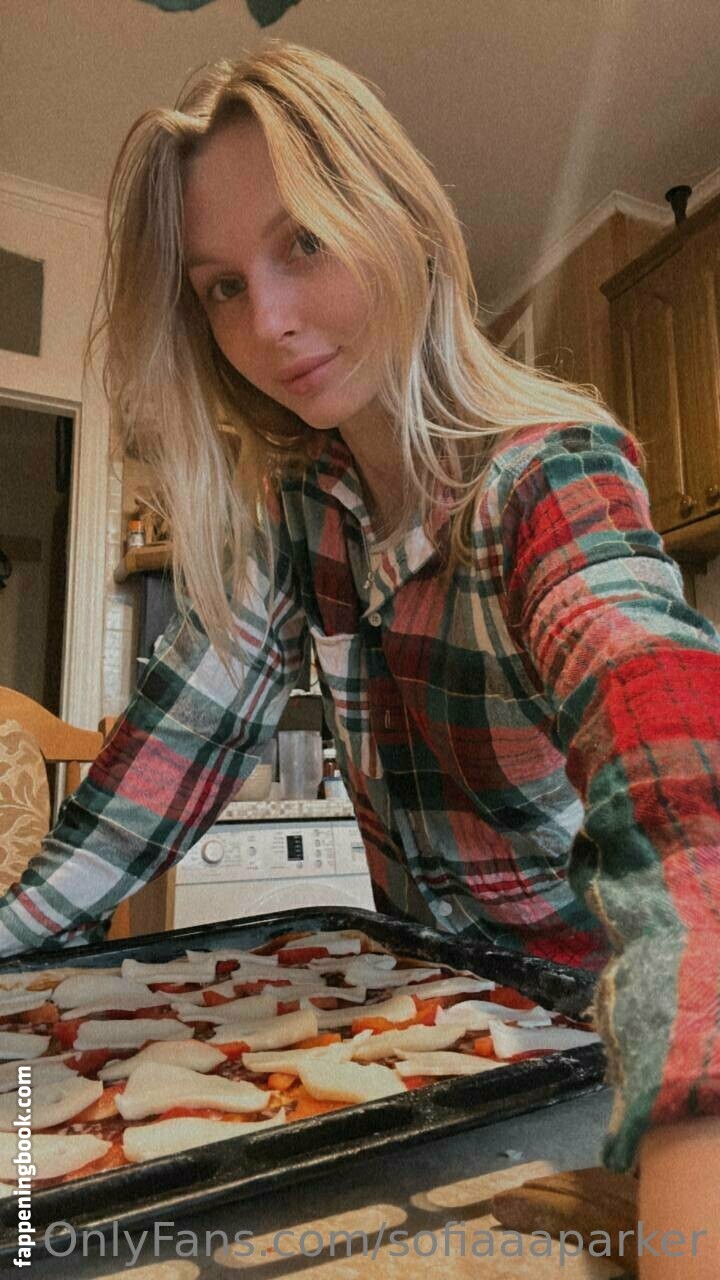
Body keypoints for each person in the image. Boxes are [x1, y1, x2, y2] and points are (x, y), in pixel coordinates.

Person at [2, 41, 720, 1275]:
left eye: (304, 244)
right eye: (221, 286)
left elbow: (672, 758)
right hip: (427, 1046)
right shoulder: (305, 510)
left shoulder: (547, 473)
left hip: (599, 1065)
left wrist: (695, 1110)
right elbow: (164, 760)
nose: (268, 322)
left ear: (401, 224)